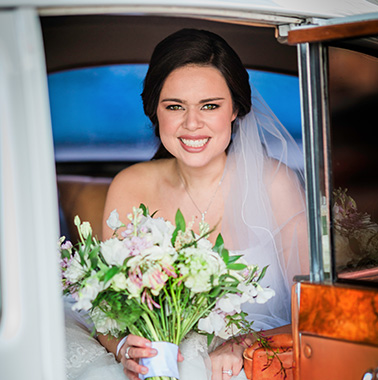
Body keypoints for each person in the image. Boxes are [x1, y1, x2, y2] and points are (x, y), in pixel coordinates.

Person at [64, 28, 308, 380]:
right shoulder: (130, 186)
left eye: (209, 106)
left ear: (236, 109)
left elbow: (313, 314)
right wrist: (121, 347)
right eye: (175, 106)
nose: (192, 124)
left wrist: (245, 342)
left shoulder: (275, 184)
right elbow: (108, 311)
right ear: (155, 111)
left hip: (246, 363)